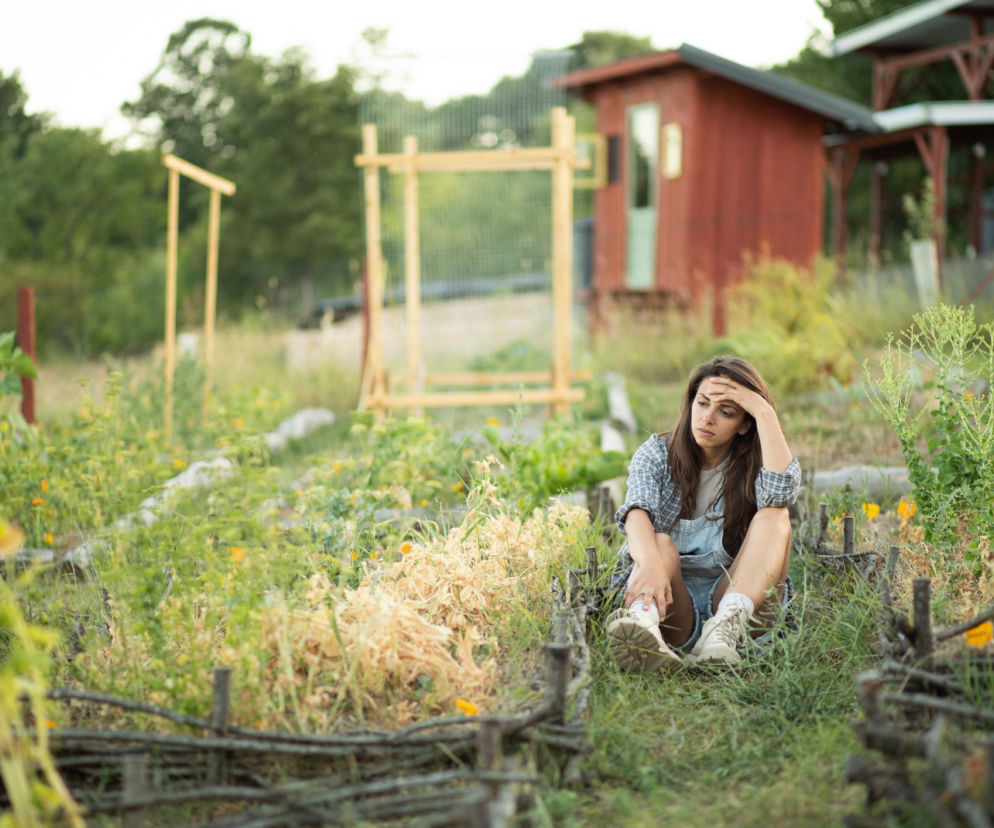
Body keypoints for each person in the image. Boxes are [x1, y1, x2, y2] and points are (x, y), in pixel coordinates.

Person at [606, 356, 799, 670]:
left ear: (744, 424)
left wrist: (763, 410)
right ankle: (643, 624)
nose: (707, 418)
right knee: (660, 542)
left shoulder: (756, 465)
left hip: (738, 603)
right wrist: (651, 564)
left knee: (775, 516)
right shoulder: (657, 454)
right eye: (702, 403)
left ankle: (722, 633)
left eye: (725, 412)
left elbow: (781, 494)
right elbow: (636, 511)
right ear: (690, 403)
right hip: (671, 603)